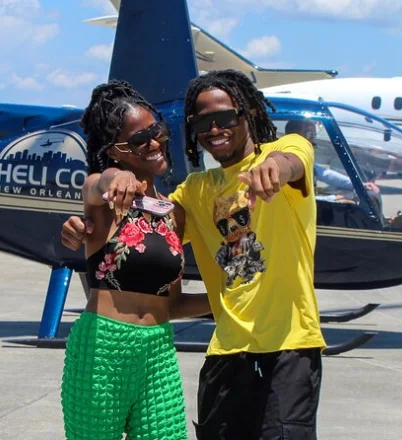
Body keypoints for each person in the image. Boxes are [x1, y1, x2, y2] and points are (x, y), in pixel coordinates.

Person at [62, 70, 326, 439]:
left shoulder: (283, 152)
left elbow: (293, 159)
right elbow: (99, 191)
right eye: (202, 122)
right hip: (219, 352)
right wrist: (104, 189)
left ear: (249, 112)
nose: (215, 129)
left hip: (288, 348)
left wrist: (275, 168)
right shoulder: (189, 194)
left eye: (225, 117)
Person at [60, 80, 210, 440]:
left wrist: (225, 301)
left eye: (156, 131)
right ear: (116, 151)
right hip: (103, 348)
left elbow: (172, 305)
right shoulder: (105, 197)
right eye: (140, 140)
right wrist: (118, 177)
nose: (154, 143)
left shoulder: (174, 213)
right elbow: (98, 185)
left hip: (157, 350)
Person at [285, 119, 382, 206]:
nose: (312, 139)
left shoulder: (302, 158)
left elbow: (324, 174)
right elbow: (296, 199)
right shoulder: (290, 161)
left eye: (314, 135)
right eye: (309, 134)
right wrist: (333, 198)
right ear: (295, 136)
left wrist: (360, 185)